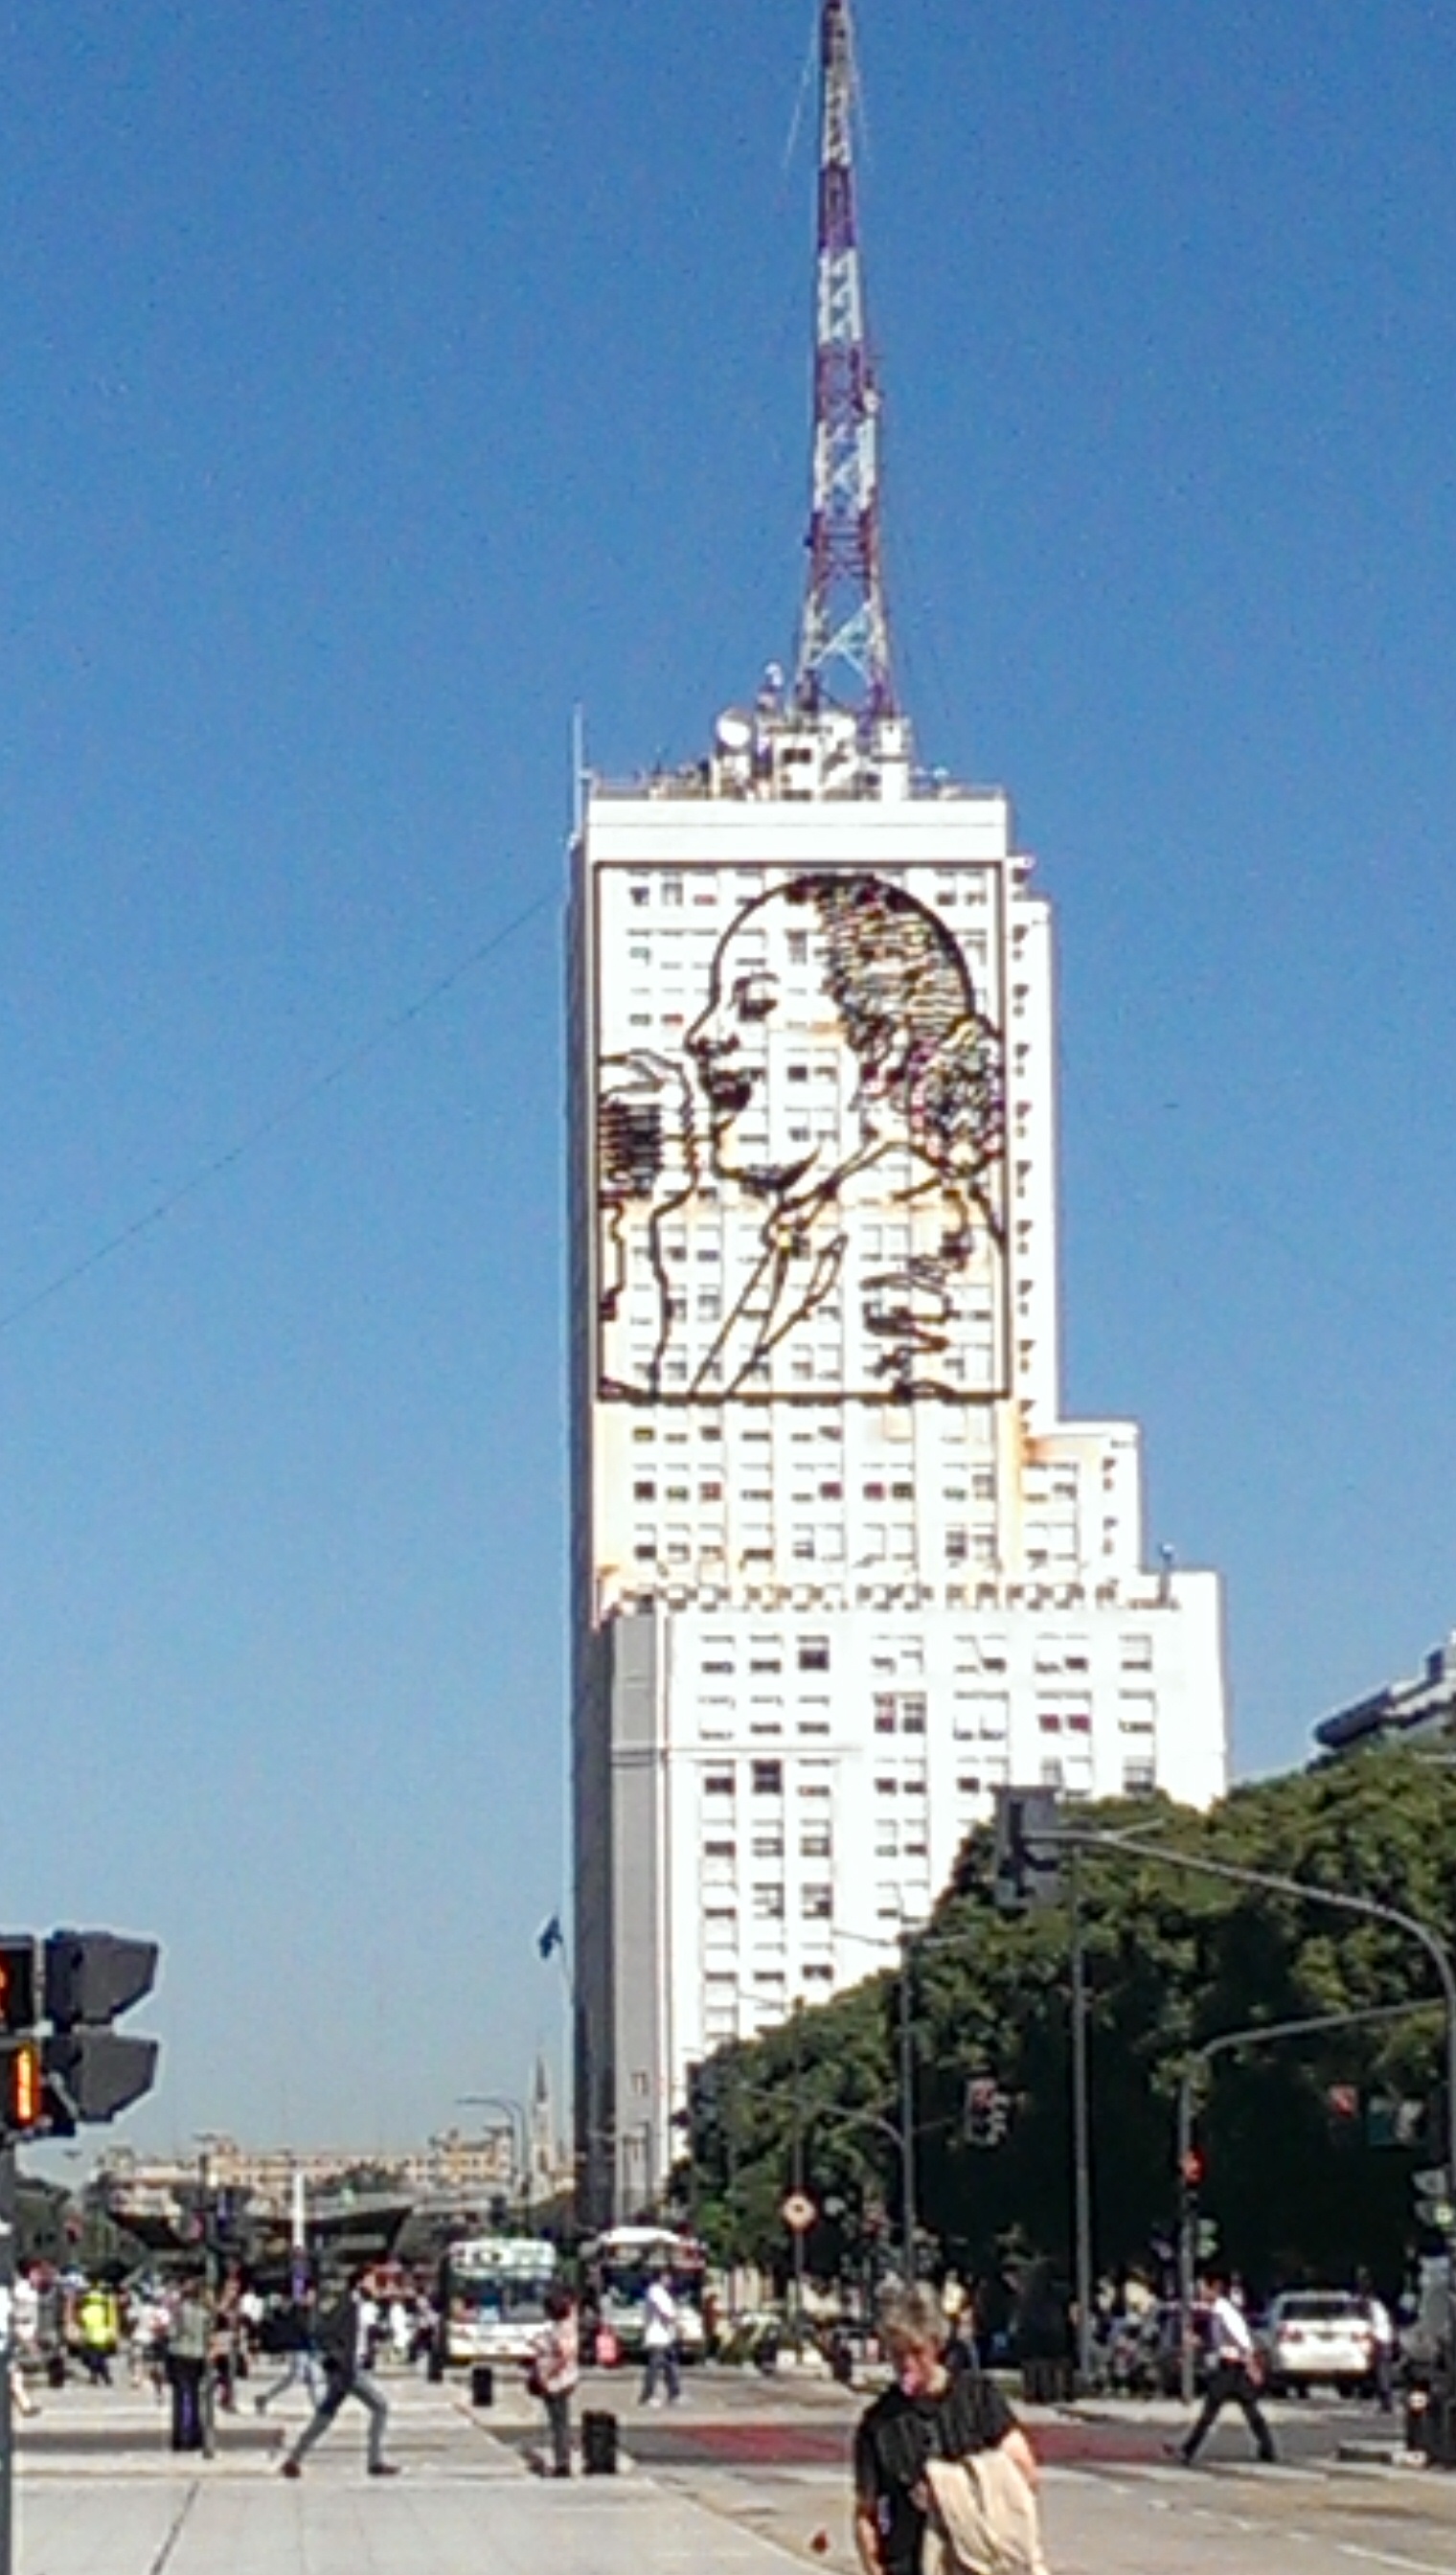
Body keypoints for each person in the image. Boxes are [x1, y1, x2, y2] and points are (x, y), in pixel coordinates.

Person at [853, 2284, 1040, 2575]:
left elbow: (1024, 2470)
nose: (907, 2365)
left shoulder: (978, 2399)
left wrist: (952, 2488)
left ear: (937, 2344)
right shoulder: (878, 2423)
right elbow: (867, 2513)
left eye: (917, 2352)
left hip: (979, 2561)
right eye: (897, 2354)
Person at [280, 2264, 398, 2479]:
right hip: (345, 2369)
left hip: (345, 2368)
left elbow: (358, 2334)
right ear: (362, 2281)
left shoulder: (361, 2305)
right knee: (380, 2407)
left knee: (325, 2414)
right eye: (374, 2280)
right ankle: (375, 2461)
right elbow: (323, 2330)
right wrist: (332, 2356)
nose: (377, 2286)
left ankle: (293, 2460)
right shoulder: (346, 2302)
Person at [1174, 2271, 1276, 2466]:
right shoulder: (1217, 2310)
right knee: (1250, 2410)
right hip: (1232, 2366)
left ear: (1216, 2288)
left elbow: (1240, 2338)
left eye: (1204, 2288)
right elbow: (1216, 2338)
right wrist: (1197, 2341)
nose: (1200, 2292)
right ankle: (1267, 2448)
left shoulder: (1224, 2311)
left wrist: (1251, 2365)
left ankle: (1188, 2450)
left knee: (1211, 2411)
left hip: (1232, 2368)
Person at [531, 2285, 580, 2477]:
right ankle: (561, 2459)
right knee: (558, 2422)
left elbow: (563, 2356)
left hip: (557, 2381)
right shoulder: (562, 2326)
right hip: (560, 2379)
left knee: (559, 2423)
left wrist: (547, 2374)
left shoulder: (562, 2329)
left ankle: (562, 2462)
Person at [255, 2285, 323, 2415]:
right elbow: (296, 2324)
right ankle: (264, 2398)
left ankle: (319, 2408)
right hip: (297, 2346)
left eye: (314, 2295)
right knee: (297, 2377)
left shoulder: (311, 2310)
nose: (312, 2298)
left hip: (309, 2347)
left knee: (312, 2377)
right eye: (310, 2295)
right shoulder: (296, 2308)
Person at [167, 2275, 212, 2454]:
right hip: (198, 2355)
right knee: (194, 2396)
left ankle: (180, 2436)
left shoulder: (180, 2310)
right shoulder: (205, 2312)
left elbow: (172, 2332)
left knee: (180, 2398)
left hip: (179, 2353)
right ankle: (194, 2434)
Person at [1357, 2269, 1396, 2414]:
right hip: (1384, 2339)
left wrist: (1372, 2339)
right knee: (1381, 2372)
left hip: (1380, 2341)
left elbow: (1373, 2325)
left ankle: (1387, 2403)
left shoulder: (1373, 2307)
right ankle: (1385, 2401)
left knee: (1382, 2372)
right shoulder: (1379, 2307)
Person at [640, 2274, 681, 2406]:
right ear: (660, 2278)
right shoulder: (655, 2290)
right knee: (655, 2366)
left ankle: (674, 2394)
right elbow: (664, 2311)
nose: (670, 2280)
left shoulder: (663, 2293)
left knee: (671, 2366)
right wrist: (673, 2319)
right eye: (667, 2277)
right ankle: (648, 2396)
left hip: (666, 2337)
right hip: (657, 2336)